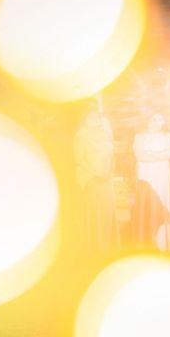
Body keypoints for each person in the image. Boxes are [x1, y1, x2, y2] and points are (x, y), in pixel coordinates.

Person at [73, 108, 119, 252]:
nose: (94, 120)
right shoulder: (81, 135)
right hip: (90, 178)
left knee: (107, 212)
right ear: (85, 120)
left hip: (107, 179)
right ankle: (93, 248)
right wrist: (96, 173)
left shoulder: (105, 134)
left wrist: (109, 172)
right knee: (93, 212)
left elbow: (111, 156)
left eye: (96, 117)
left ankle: (107, 247)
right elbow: (79, 159)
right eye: (90, 117)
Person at [132, 113, 170, 250]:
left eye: (160, 120)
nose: (156, 122)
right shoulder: (139, 136)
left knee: (163, 204)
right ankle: (146, 242)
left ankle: (163, 243)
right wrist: (159, 155)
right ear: (148, 120)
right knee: (147, 205)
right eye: (153, 118)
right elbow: (140, 156)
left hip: (162, 175)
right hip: (146, 176)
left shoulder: (168, 136)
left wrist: (151, 154)